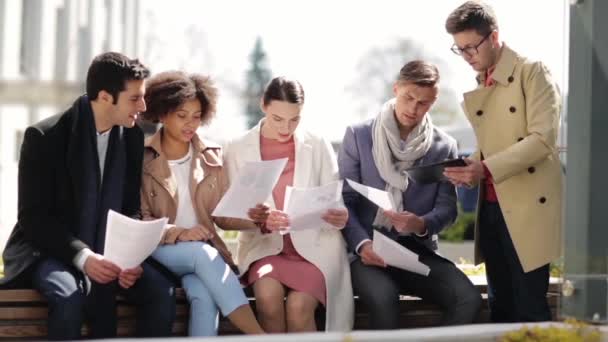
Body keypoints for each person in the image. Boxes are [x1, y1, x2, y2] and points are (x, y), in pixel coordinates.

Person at [0, 52, 175, 339]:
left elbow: (128, 208)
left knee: (160, 291)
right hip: (49, 250)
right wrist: (84, 257)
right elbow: (34, 219)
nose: (143, 107)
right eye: (134, 98)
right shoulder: (45, 137)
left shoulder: (131, 137)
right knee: (69, 295)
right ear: (105, 97)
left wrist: (128, 259)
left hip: (111, 251)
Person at [338, 60, 482, 330]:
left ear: (433, 102)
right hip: (367, 251)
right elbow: (345, 201)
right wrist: (361, 245)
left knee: (468, 298)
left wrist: (421, 224)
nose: (414, 109)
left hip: (416, 252)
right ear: (396, 89)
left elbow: (447, 209)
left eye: (424, 103)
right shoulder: (359, 136)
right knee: (384, 298)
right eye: (409, 98)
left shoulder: (444, 146)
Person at [443, 1, 563, 322]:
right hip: (493, 208)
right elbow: (492, 147)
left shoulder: (532, 71)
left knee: (529, 310)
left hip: (525, 209)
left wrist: (484, 168)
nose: (467, 57)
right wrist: (467, 168)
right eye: (460, 50)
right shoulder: (483, 83)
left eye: (471, 47)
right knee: (501, 309)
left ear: (494, 37)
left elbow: (541, 139)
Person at [223, 76, 354, 332]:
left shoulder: (317, 144)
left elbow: (335, 198)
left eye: (294, 119)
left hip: (315, 249)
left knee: (298, 308)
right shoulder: (237, 148)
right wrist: (259, 220)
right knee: (267, 300)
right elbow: (229, 212)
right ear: (263, 105)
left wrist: (340, 216)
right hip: (264, 248)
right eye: (278, 119)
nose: (286, 128)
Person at [139, 71, 264, 336]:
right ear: (162, 114)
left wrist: (257, 219)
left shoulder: (212, 156)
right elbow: (141, 219)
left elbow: (223, 215)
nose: (190, 124)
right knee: (201, 253)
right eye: (182, 115)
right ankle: (260, 336)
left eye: (196, 116)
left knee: (204, 295)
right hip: (158, 249)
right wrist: (180, 233)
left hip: (200, 257)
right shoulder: (141, 158)